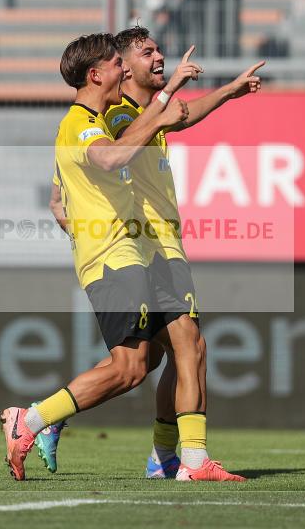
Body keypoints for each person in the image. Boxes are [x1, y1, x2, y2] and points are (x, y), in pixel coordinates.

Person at [41, 26, 264, 481]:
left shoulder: (142, 111)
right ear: (117, 71)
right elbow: (103, 154)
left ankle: (165, 457)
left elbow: (180, 115)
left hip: (158, 241)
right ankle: (179, 456)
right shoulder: (120, 115)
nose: (157, 57)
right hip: (144, 245)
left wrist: (227, 91)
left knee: (171, 355)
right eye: (144, 53)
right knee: (165, 354)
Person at [0, 32, 198, 481]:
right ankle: (31, 420)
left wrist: (57, 195)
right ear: (96, 74)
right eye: (116, 64)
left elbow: (70, 177)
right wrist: (163, 107)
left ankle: (169, 458)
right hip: (110, 254)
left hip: (127, 250)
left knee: (154, 358)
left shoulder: (95, 118)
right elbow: (109, 158)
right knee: (132, 367)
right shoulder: (80, 122)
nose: (122, 71)